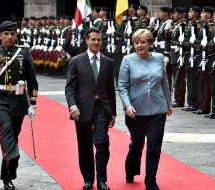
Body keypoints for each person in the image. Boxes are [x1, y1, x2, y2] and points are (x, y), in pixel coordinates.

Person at [0, 21, 38, 190]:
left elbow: (32, 81)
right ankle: (14, 157)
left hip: (18, 100)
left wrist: (33, 104)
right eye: (6, 34)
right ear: (0, 36)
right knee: (6, 126)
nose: (10, 37)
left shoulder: (23, 52)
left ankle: (7, 176)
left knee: (14, 135)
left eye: (13, 34)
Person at [118, 29, 172, 190]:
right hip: (135, 111)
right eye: (136, 42)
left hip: (157, 110)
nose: (139, 45)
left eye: (143, 42)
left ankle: (151, 181)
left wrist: (168, 104)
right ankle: (131, 170)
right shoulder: (127, 60)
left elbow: (164, 82)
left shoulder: (159, 58)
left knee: (154, 146)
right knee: (137, 144)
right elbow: (122, 85)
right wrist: (127, 105)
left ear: (149, 43)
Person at [65, 27, 116, 190]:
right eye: (93, 39)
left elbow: (110, 89)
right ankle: (88, 178)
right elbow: (70, 88)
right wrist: (72, 105)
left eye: (99, 40)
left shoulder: (109, 62)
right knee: (85, 145)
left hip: (101, 108)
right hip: (81, 109)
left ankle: (102, 180)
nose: (96, 43)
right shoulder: (76, 61)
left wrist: (112, 113)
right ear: (86, 40)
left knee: (101, 142)